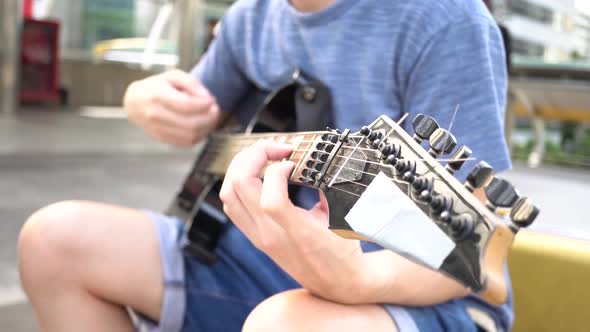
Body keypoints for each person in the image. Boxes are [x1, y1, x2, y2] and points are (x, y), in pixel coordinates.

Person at [18, 0, 513, 331]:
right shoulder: (250, 17)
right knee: (52, 241)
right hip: (253, 261)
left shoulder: (444, 20)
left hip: (418, 292)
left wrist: (357, 280)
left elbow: (471, 258)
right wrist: (140, 98)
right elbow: (195, 117)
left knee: (282, 325)